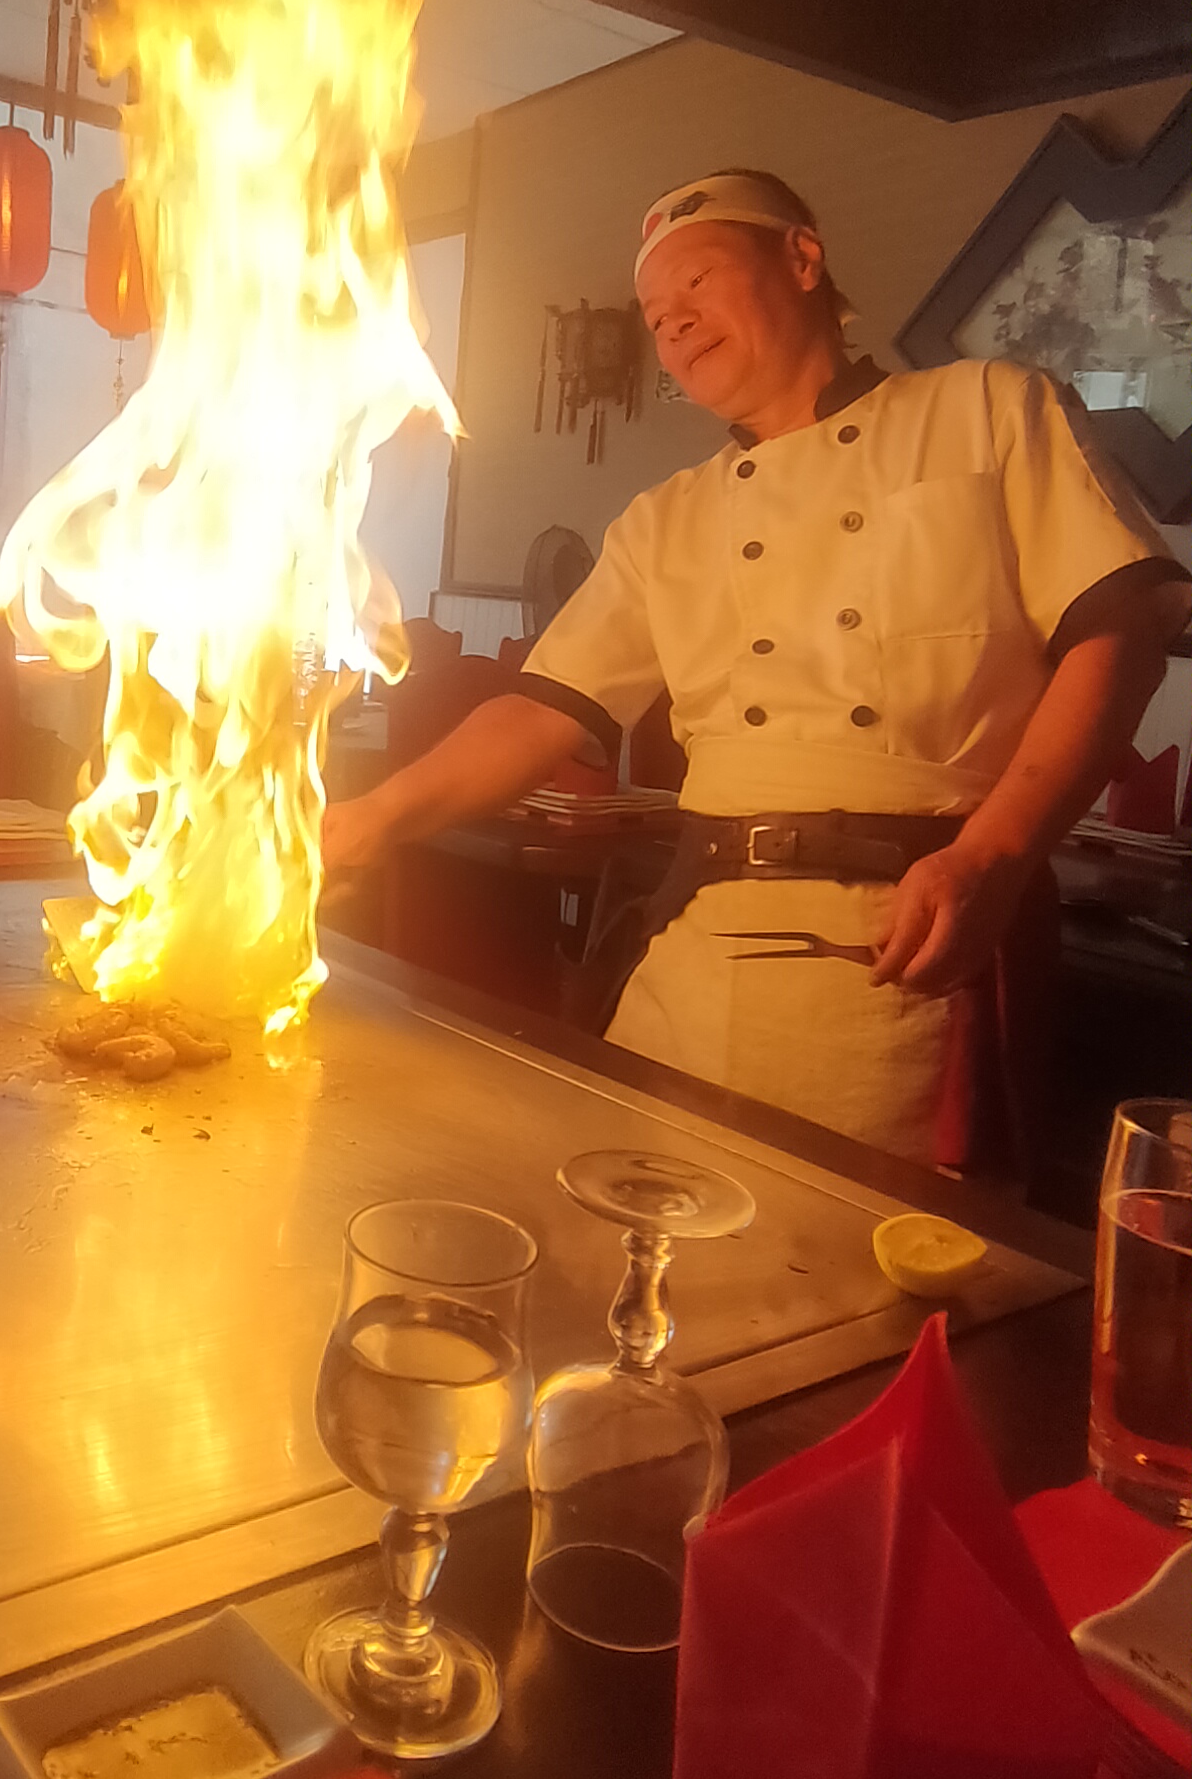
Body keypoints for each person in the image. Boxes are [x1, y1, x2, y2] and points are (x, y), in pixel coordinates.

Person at [323, 170, 1190, 1165]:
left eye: (695, 284)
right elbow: (537, 713)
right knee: (628, 1210)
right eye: (656, 317)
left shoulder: (986, 409)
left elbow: (1122, 628)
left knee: (857, 1245)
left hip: (907, 943)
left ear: (802, 259)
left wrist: (995, 853)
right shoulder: (665, 518)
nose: (674, 325)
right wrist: (367, 819)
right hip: (699, 942)